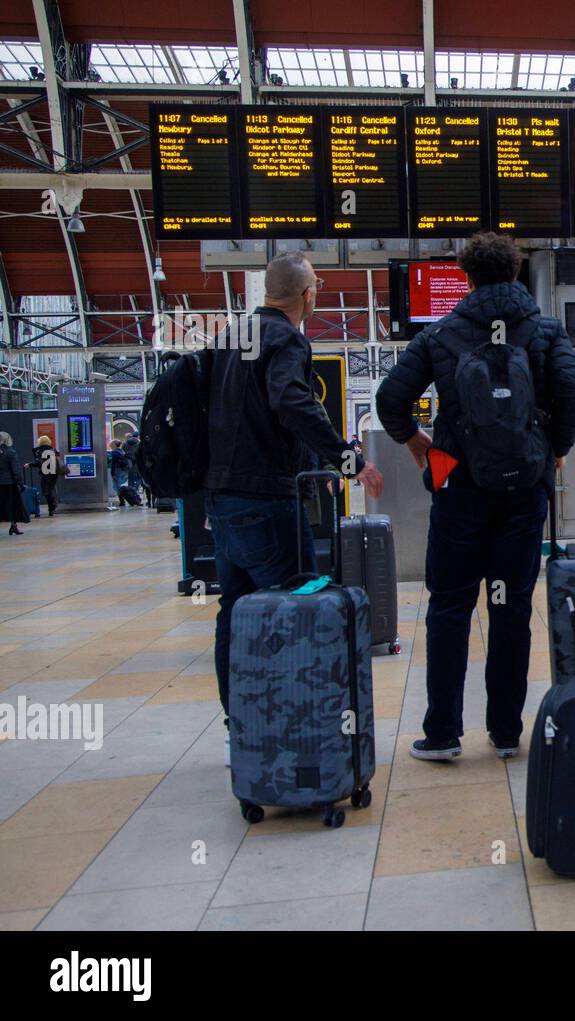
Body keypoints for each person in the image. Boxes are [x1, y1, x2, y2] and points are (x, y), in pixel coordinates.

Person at [376, 232, 575, 763]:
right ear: (516, 272)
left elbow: (390, 399)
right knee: (511, 606)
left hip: (458, 485)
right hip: (523, 488)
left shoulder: (443, 333)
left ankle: (444, 733)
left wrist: (416, 444)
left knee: (450, 604)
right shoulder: (543, 329)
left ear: (465, 277)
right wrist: (554, 448)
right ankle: (506, 732)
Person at [205, 251, 383, 763]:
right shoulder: (287, 339)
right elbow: (288, 402)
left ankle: (240, 723)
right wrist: (346, 460)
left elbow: (252, 414)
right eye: (317, 287)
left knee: (234, 609)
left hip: (225, 498)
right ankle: (289, 725)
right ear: (307, 295)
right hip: (266, 500)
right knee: (294, 610)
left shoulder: (234, 336)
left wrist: (313, 465)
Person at [29, 435, 63, 516]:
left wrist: (30, 464)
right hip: (53, 473)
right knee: (50, 490)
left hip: (45, 473)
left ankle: (52, 506)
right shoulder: (53, 450)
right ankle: (52, 508)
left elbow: (39, 463)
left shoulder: (38, 451)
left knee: (46, 492)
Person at [0, 432, 25, 535]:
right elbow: (16, 470)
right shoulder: (10, 452)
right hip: (9, 483)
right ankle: (13, 526)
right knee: (12, 505)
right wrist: (20, 482)